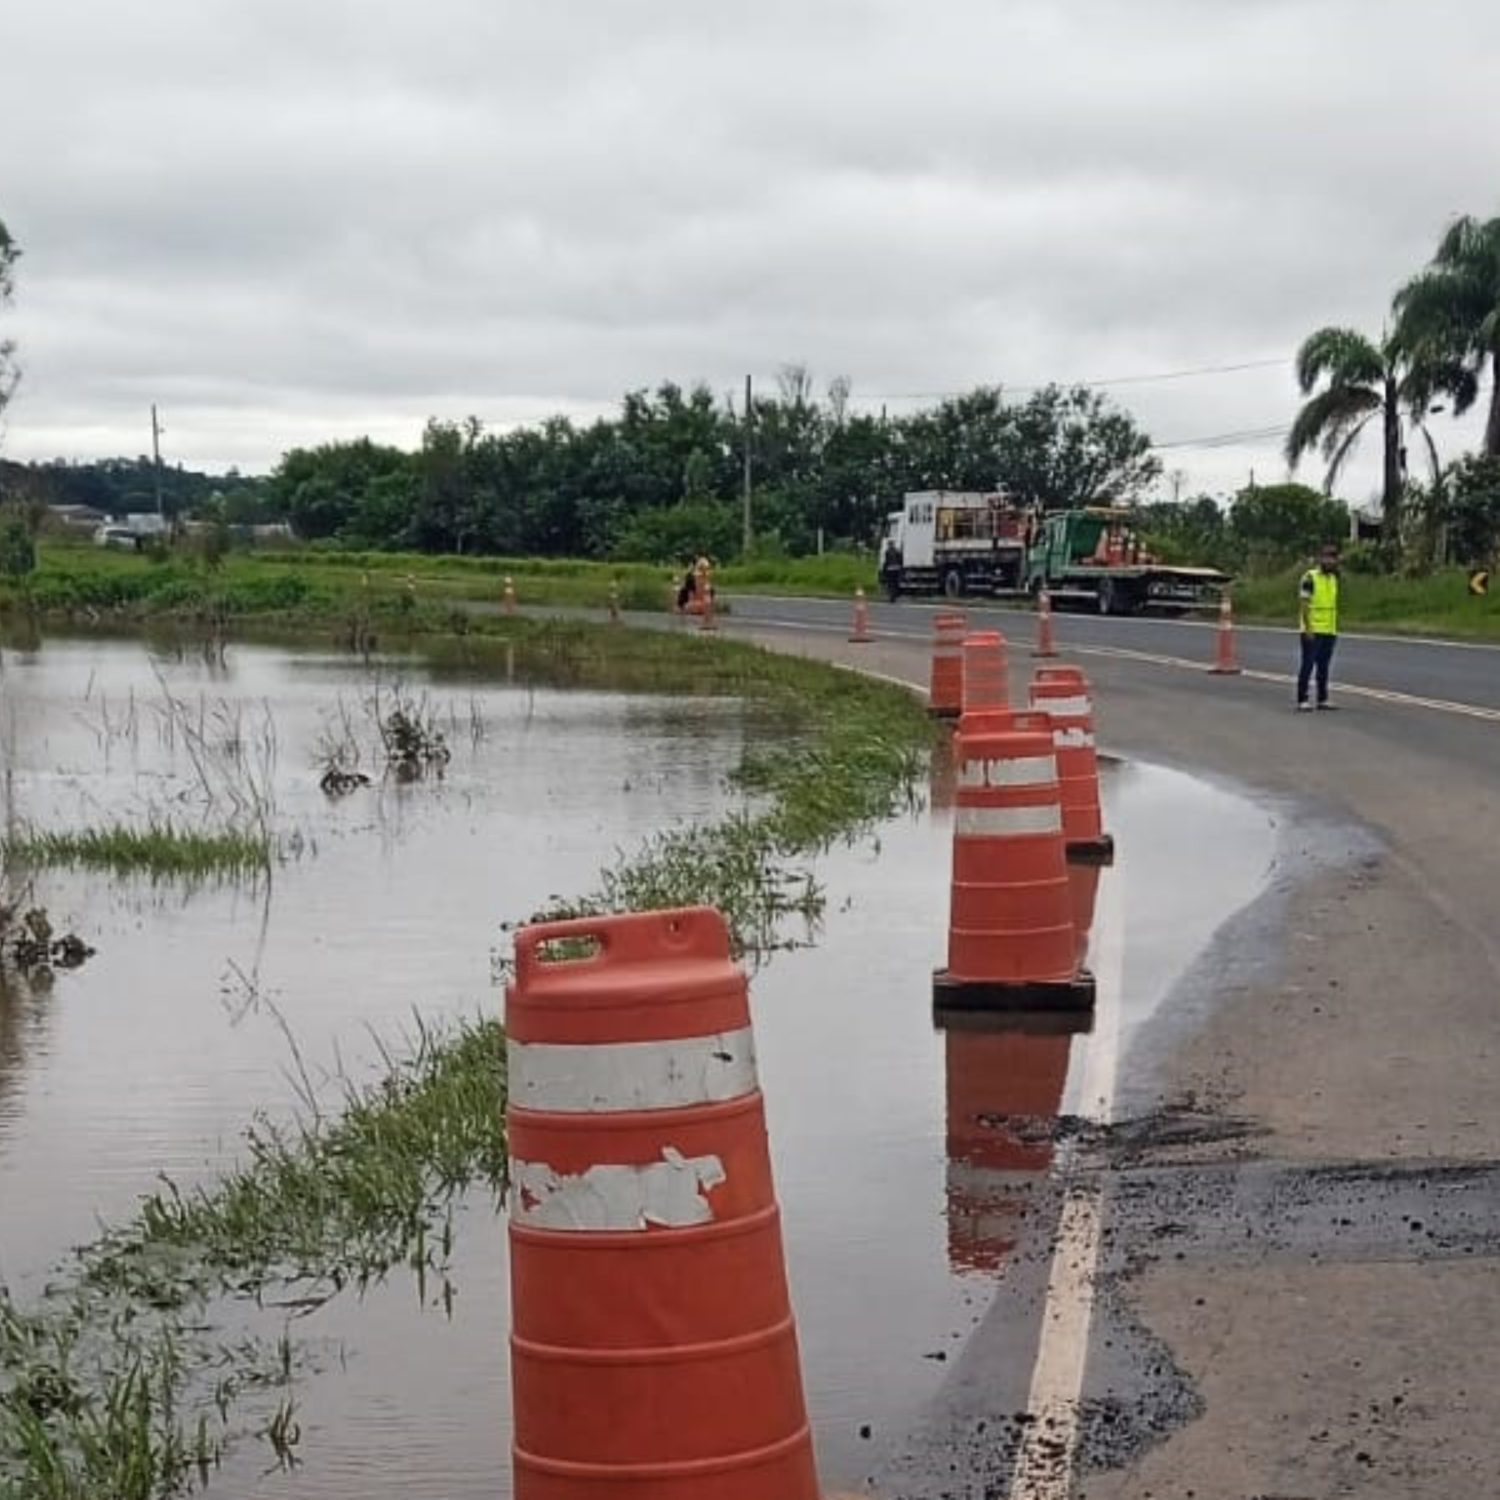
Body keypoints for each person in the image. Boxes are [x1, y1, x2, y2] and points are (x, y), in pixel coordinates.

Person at [1296, 540, 1341, 711]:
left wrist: (1333, 628)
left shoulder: (1333, 579)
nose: (1330, 561)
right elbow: (1305, 603)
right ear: (1320, 558)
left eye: (1333, 558)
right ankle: (1302, 699)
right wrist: (1308, 628)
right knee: (1308, 664)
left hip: (1329, 628)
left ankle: (1323, 698)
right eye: (1327, 558)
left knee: (1324, 666)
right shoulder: (1310, 577)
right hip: (1313, 628)